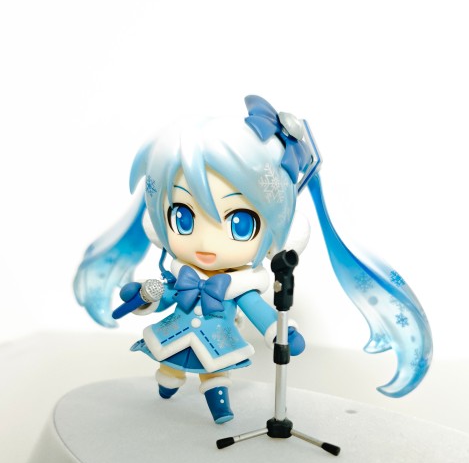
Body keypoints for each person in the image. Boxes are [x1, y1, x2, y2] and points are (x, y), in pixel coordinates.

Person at [74, 95, 432, 423]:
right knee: (169, 367)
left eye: (239, 223)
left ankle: (219, 405)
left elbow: (261, 313)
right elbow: (165, 296)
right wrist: (144, 298)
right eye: (183, 217)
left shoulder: (239, 286)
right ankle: (167, 385)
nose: (205, 242)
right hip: (175, 332)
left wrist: (281, 332)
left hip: (217, 338)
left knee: (216, 372)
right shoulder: (178, 274)